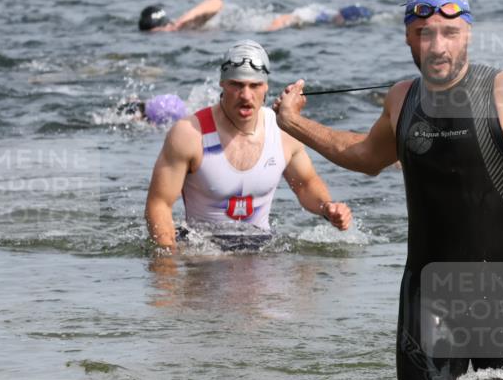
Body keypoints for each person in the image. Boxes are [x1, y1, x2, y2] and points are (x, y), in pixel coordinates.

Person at [273, 0, 503, 380]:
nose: (437, 46)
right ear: (408, 38)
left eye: (450, 33)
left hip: (500, 294)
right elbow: (365, 157)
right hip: (423, 294)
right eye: (423, 34)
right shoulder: (400, 99)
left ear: (468, 33)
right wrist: (294, 123)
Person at [145, 40, 352, 253]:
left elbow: (305, 184)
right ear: (222, 84)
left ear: (266, 87)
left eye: (254, 85)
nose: (245, 95)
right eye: (236, 84)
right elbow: (159, 204)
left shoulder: (284, 131)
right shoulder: (189, 133)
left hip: (261, 250)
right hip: (204, 256)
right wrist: (167, 266)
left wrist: (327, 208)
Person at [137, 0, 371, 32]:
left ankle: (348, 16)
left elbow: (216, 2)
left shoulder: (185, 25)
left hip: (274, 23)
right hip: (270, 25)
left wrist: (181, 21)